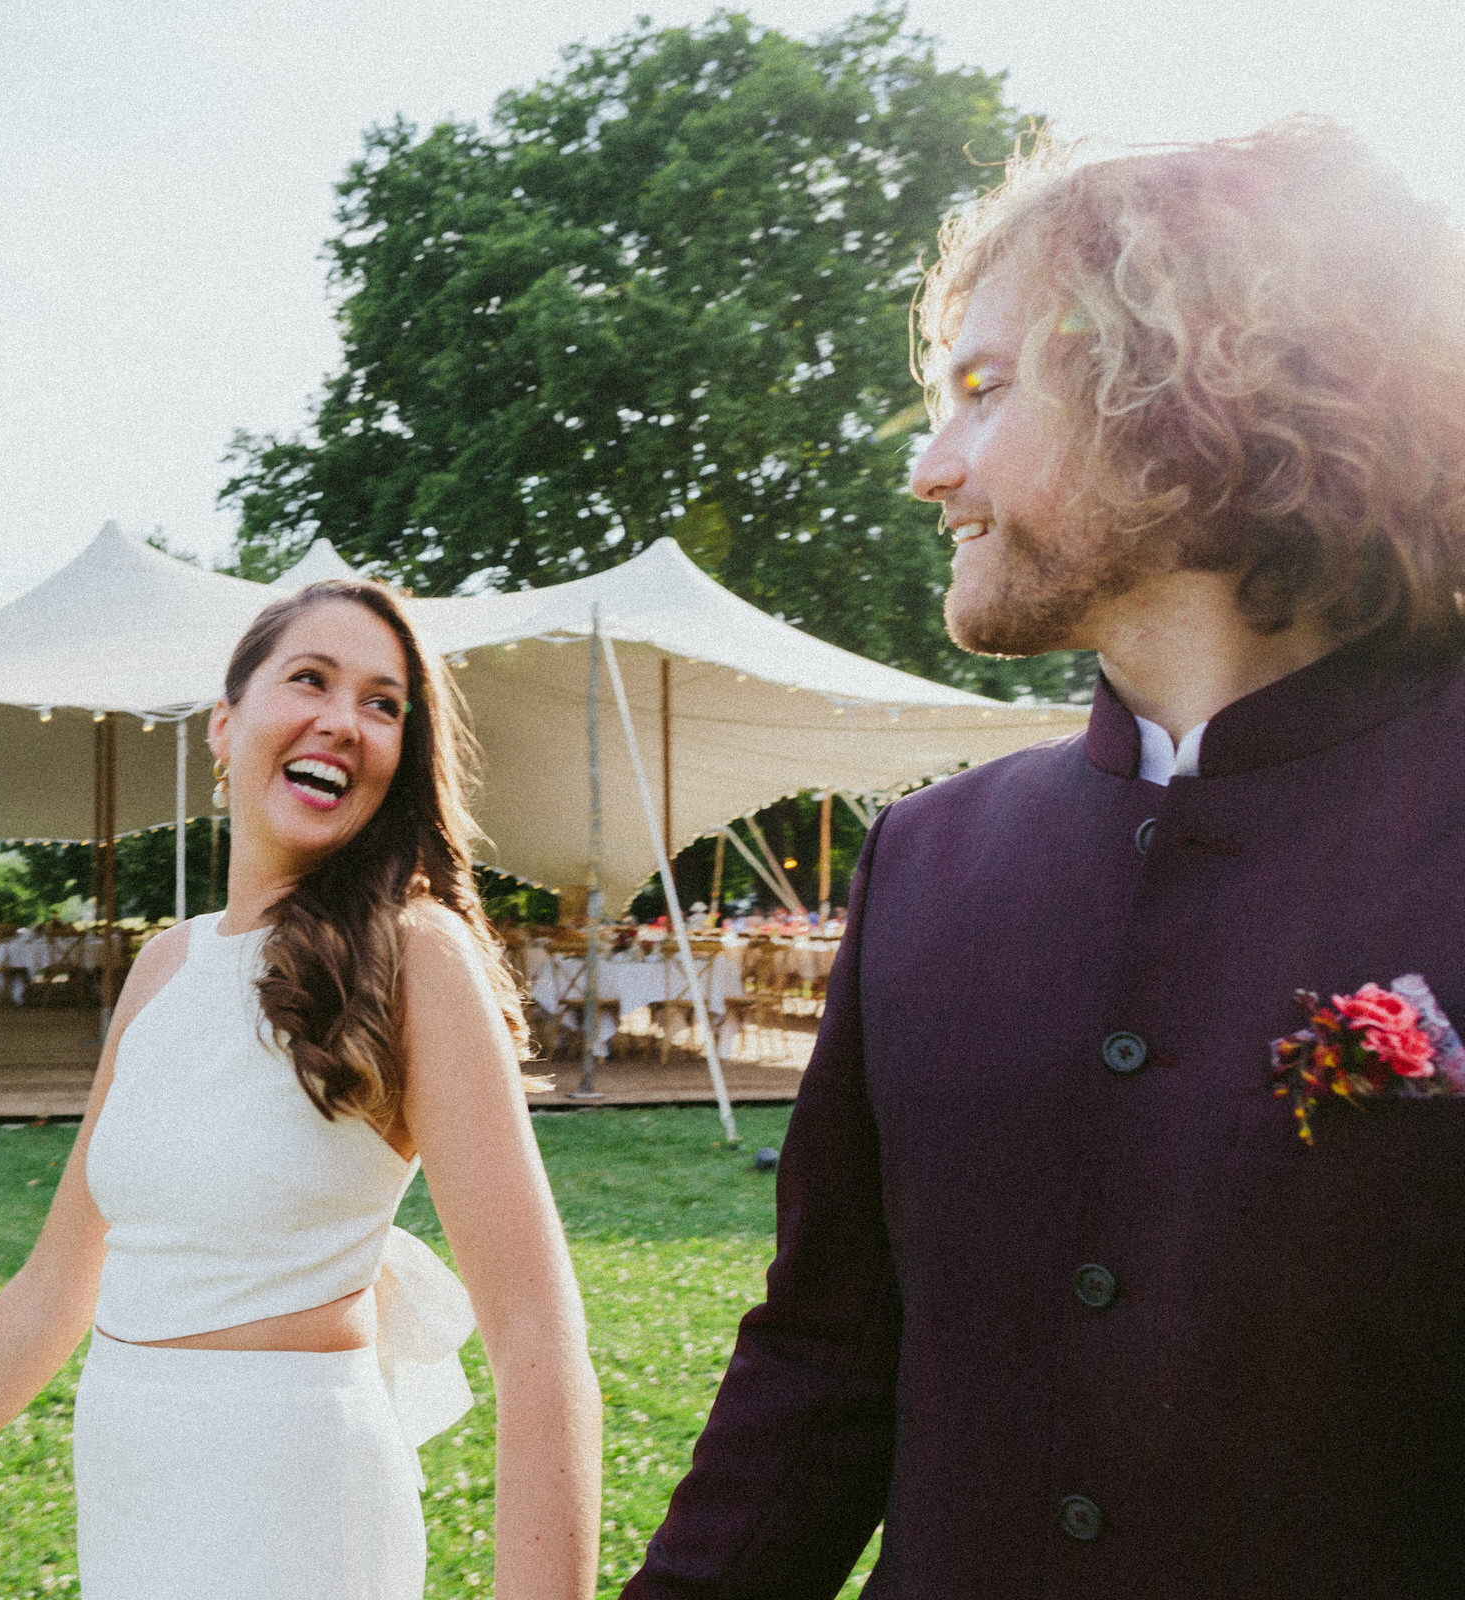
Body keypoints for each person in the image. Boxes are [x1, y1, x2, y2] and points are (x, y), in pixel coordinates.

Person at [623, 119, 1465, 1597]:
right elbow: (822, 1371)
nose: (927, 473)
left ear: (1194, 382)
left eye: (983, 390)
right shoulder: (931, 860)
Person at [0, 580, 601, 1600]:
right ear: (225, 725)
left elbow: (535, 1327)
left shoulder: (415, 958)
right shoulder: (164, 969)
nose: (343, 721)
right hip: (131, 1494)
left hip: (296, 1514)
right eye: (310, 678)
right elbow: (50, 1296)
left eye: (384, 703)